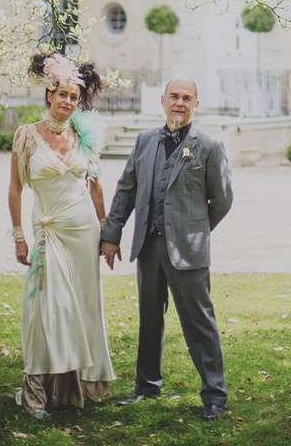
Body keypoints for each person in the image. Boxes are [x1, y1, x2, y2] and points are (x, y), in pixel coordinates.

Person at [100, 77, 233, 421]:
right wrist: (111, 234)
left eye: (187, 98)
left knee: (199, 322)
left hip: (187, 251)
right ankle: (146, 385)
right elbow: (126, 189)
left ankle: (214, 394)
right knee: (149, 319)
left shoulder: (209, 146)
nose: (179, 103)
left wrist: (195, 231)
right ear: (162, 100)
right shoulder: (144, 141)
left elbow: (221, 200)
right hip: (148, 246)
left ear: (196, 105)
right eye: (174, 96)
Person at [8, 52, 115, 418]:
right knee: (44, 310)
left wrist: (107, 232)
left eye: (74, 96)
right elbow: (15, 189)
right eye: (62, 95)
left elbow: (96, 186)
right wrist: (18, 235)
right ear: (49, 95)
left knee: (82, 307)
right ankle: (36, 391)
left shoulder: (83, 136)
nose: (68, 102)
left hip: (84, 234)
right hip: (48, 232)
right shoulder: (27, 136)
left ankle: (74, 387)